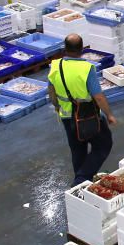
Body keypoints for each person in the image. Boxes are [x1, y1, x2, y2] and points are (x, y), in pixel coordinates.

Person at [47, 34, 117, 186]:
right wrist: (109, 115)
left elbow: (51, 92)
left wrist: (58, 107)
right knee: (103, 144)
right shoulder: (86, 68)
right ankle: (81, 179)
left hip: (67, 117)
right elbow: (98, 97)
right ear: (82, 49)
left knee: (78, 151)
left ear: (65, 49)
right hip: (88, 116)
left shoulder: (55, 66)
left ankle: (80, 188)